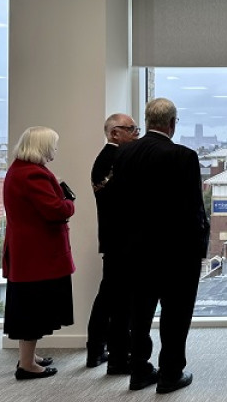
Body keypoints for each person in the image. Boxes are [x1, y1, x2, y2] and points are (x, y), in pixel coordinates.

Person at [111, 98, 210, 393]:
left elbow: (119, 204)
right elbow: (194, 209)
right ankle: (170, 374)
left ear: (147, 121)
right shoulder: (184, 156)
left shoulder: (124, 154)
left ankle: (138, 370)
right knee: (175, 314)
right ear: (172, 123)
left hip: (134, 250)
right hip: (175, 251)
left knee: (139, 312)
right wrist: (200, 247)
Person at [2, 126, 75, 380]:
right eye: (53, 145)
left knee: (29, 307)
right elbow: (55, 210)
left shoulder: (19, 169)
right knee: (33, 310)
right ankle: (26, 365)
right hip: (38, 255)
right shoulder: (33, 174)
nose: (55, 149)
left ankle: (28, 357)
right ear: (42, 147)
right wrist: (69, 203)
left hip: (28, 253)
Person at [84, 113, 140, 371]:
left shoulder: (106, 158)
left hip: (114, 238)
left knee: (107, 296)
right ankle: (115, 353)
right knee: (119, 300)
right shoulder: (117, 159)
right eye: (132, 129)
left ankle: (96, 349)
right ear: (114, 133)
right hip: (122, 239)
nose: (137, 133)